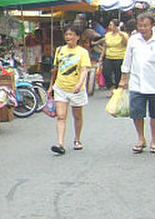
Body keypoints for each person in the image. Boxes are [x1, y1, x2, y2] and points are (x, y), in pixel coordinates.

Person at [47, 25, 91, 155]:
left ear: (78, 37)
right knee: (61, 116)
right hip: (61, 87)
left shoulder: (82, 52)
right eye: (67, 35)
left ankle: (77, 139)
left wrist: (79, 84)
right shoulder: (60, 50)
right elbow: (55, 70)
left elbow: (84, 70)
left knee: (77, 115)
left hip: (76, 88)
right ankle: (60, 143)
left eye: (71, 35)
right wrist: (51, 86)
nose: (68, 37)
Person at [119, 13, 155, 154]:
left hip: (153, 82)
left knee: (154, 114)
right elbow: (127, 60)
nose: (143, 28)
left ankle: (154, 140)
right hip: (136, 82)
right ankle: (141, 138)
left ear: (152, 25)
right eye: (140, 26)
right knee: (137, 113)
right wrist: (123, 79)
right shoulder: (133, 40)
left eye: (145, 25)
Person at [97, 19, 128, 97]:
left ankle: (117, 91)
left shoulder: (123, 34)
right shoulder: (108, 35)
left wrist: (121, 35)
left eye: (111, 25)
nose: (109, 26)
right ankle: (111, 88)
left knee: (118, 75)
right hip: (109, 57)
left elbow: (126, 44)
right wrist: (101, 57)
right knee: (106, 73)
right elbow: (105, 46)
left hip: (119, 57)